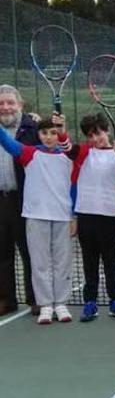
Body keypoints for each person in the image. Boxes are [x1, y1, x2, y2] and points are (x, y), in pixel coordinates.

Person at [0, 115, 74, 324]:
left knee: (62, 262)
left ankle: (60, 304)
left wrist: (73, 215)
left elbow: (74, 185)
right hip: (35, 216)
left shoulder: (68, 155)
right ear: (38, 135)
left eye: (53, 132)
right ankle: (45, 305)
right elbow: (6, 141)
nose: (49, 137)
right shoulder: (28, 153)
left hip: (62, 216)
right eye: (45, 133)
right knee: (39, 263)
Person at [62, 114, 115, 322]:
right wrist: (61, 128)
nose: (96, 138)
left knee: (111, 263)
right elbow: (67, 147)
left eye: (99, 133)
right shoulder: (84, 152)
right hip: (86, 216)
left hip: (109, 217)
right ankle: (90, 303)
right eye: (91, 135)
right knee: (89, 263)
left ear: (107, 130)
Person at [0, 84, 38, 316]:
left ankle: (35, 298)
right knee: (1, 255)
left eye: (10, 102)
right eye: (1, 103)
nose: (5, 107)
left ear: (20, 105)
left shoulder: (33, 128)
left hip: (24, 201)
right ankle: (6, 300)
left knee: (30, 252)